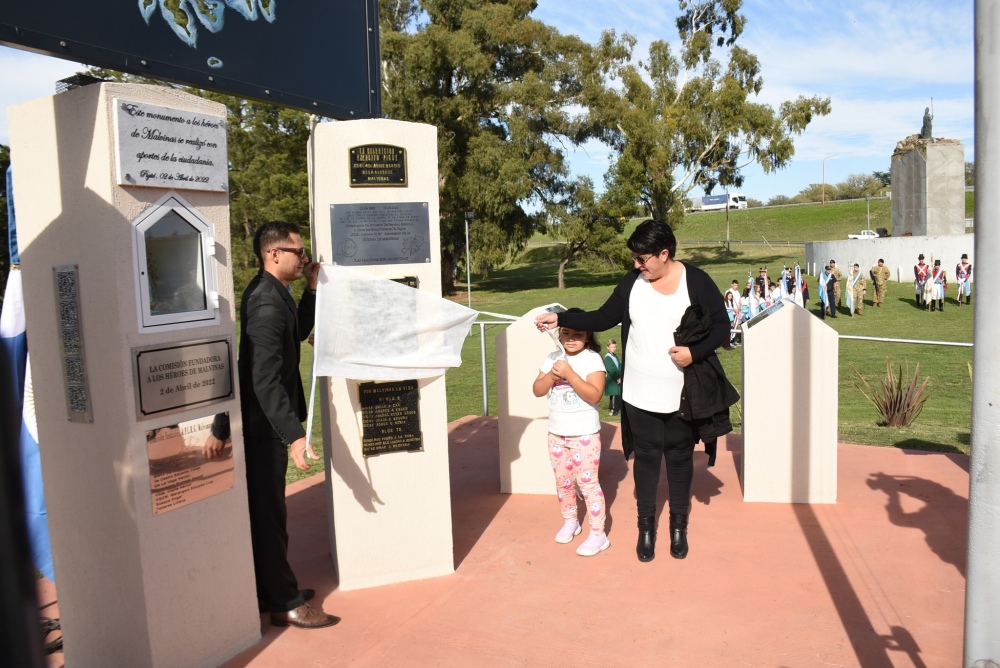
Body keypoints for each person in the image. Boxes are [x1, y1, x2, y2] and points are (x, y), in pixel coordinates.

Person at [533, 220, 738, 563]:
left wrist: (694, 353)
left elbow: (722, 326)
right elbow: (602, 317)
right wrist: (562, 317)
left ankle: (677, 527)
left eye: (643, 259)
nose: (637, 266)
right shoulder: (633, 282)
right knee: (645, 458)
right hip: (638, 393)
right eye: (634, 258)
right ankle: (646, 529)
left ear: (664, 253)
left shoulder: (696, 281)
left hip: (682, 394)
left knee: (679, 457)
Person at [205, 221, 339, 629]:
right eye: (298, 252)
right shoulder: (265, 303)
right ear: (273, 254)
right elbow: (260, 378)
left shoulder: (272, 293)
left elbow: (293, 333)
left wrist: (312, 290)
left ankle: (270, 589)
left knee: (269, 514)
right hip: (263, 425)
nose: (305, 257)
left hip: (263, 421)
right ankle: (283, 602)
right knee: (268, 517)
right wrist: (294, 436)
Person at [532, 312, 609, 557]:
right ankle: (571, 521)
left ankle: (598, 534)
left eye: (578, 335)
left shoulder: (592, 359)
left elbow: (595, 395)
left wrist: (570, 375)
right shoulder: (553, 357)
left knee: (588, 484)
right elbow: (537, 389)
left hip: (584, 434)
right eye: (566, 333)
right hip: (556, 433)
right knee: (563, 482)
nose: (571, 339)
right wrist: (553, 374)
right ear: (559, 333)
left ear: (588, 337)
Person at [603, 339, 623, 415]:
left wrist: (621, 375)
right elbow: (611, 369)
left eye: (614, 347)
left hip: (617, 377)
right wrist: (617, 378)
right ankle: (613, 409)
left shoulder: (615, 356)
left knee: (616, 393)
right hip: (612, 379)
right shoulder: (608, 357)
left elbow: (619, 365)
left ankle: (615, 408)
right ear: (608, 347)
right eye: (612, 347)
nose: (613, 348)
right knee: (614, 393)